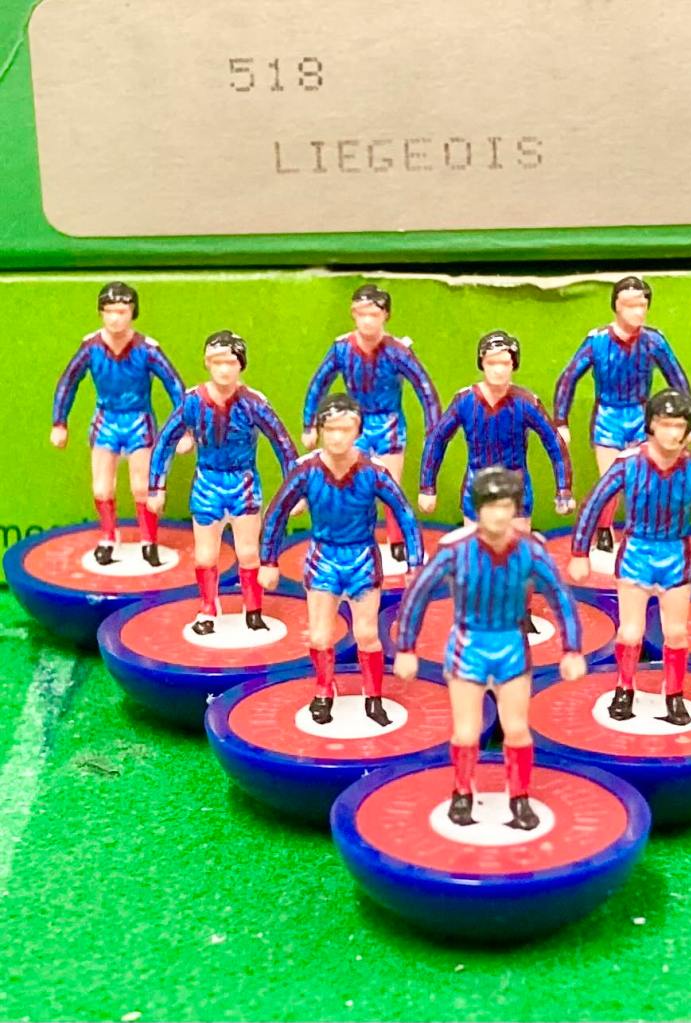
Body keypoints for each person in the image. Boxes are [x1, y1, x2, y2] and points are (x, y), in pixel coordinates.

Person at [395, 467, 585, 831]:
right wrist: (406, 646)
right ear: (478, 508)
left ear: (515, 508)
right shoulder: (455, 551)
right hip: (468, 646)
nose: (499, 514)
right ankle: (462, 792)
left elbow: (560, 596)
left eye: (506, 506)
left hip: (512, 647)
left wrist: (572, 648)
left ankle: (519, 796)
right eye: (491, 506)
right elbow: (418, 593)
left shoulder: (530, 551)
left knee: (517, 729)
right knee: (466, 732)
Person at [568, 389, 691, 725]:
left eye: (679, 425)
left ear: (689, 429)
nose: (672, 433)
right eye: (665, 424)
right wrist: (579, 552)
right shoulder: (628, 464)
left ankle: (674, 694)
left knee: (675, 633)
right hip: (636, 554)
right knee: (630, 632)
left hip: (675, 556)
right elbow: (595, 502)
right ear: (651, 425)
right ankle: (624, 688)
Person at [259, 393, 423, 726]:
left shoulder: (373, 471)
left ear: (358, 431)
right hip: (323, 559)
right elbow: (277, 512)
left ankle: (373, 696)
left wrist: (414, 562)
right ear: (320, 430)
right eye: (330, 429)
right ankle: (323, 690)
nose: (337, 437)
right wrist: (268, 559)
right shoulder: (306, 471)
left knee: (367, 634)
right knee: (320, 636)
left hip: (363, 559)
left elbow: (404, 512)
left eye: (345, 429)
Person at [148, 331, 297, 635]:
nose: (224, 370)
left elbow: (282, 442)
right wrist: (156, 486)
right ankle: (208, 608)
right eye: (217, 362)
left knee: (248, 552)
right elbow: (165, 441)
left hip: (244, 485)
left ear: (241, 364)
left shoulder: (254, 403)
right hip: (207, 484)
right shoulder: (193, 402)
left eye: (230, 362)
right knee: (206, 555)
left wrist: (296, 489)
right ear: (207, 364)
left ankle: (253, 609)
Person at [51, 281, 189, 566]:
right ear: (101, 312)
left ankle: (148, 540)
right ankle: (108, 537)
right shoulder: (91, 347)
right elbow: (68, 382)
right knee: (102, 488)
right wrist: (59, 421)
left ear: (132, 313)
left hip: (139, 421)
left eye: (122, 311)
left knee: (142, 487)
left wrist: (186, 428)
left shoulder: (146, 349)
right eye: (109, 311)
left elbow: (174, 385)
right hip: (106, 421)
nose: (115, 318)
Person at [301, 285, 441, 561]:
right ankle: (356, 536)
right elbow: (319, 383)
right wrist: (310, 423)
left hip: (389, 423)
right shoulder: (342, 349)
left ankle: (397, 538)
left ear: (385, 315)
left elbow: (424, 387)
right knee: (354, 483)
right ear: (353, 314)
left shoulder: (398, 351)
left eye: (374, 314)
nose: (367, 321)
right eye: (362, 314)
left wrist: (433, 427)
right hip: (354, 424)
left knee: (390, 484)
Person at [553, 276, 690, 554]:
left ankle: (643, 531)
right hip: (608, 416)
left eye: (642, 306)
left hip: (641, 415)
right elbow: (568, 378)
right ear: (616, 306)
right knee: (610, 480)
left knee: (646, 480)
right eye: (630, 305)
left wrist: (688, 417)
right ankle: (604, 531)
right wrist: (561, 420)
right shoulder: (598, 341)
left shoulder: (653, 340)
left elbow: (677, 377)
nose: (637, 312)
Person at [419, 330, 574, 528]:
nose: (498, 370)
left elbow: (554, 442)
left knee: (518, 545)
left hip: (516, 489)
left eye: (504, 363)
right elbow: (437, 439)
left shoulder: (526, 402)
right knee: (475, 545)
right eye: (492, 363)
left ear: (513, 365)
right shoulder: (465, 401)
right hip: (476, 488)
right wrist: (427, 487)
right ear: (482, 364)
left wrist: (564, 489)